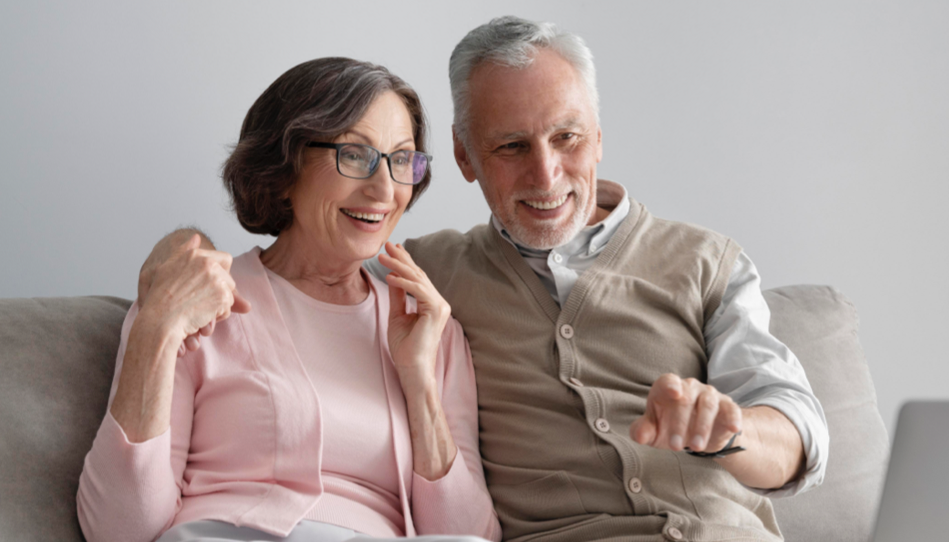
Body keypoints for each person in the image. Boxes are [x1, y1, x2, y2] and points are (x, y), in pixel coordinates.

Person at [139, 16, 829, 542]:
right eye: (511, 147)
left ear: (599, 134)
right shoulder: (423, 276)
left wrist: (730, 431)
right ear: (466, 159)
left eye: (567, 138)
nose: (546, 175)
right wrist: (183, 249)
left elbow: (797, 433)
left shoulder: (707, 262)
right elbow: (310, 254)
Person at [78, 57, 501, 542]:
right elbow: (117, 530)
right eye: (355, 154)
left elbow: (470, 535)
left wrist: (420, 383)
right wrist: (156, 330)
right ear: (285, 167)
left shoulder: (431, 328)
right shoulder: (196, 297)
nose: (384, 188)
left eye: (401, 159)